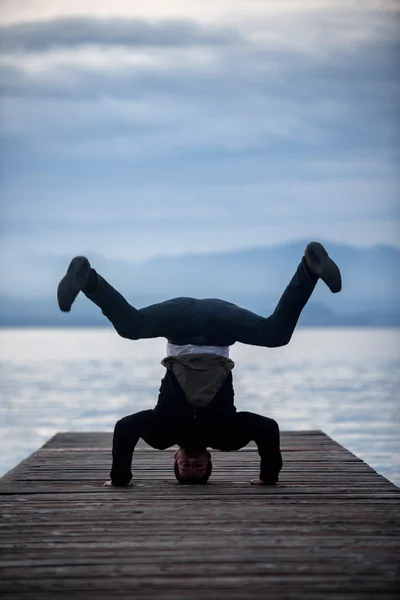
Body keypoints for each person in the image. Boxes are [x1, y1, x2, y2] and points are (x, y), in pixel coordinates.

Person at [57, 242, 342, 487]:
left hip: (179, 322)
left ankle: (88, 279)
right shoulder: (227, 435)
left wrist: (119, 479)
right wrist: (269, 477)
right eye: (198, 468)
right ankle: (309, 268)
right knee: (275, 335)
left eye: (185, 468)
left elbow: (125, 428)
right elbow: (267, 428)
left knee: (131, 327)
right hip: (220, 323)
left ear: (174, 458)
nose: (192, 463)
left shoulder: (161, 432)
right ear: (210, 460)